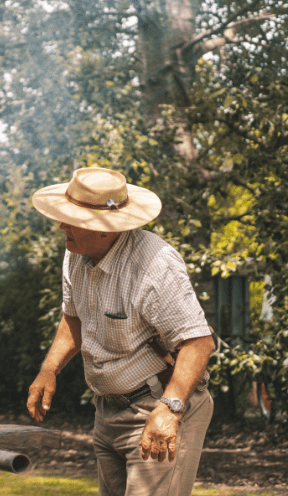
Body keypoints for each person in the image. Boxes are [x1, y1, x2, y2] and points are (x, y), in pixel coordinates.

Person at [26, 167, 214, 496]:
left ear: (105, 228)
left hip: (159, 403)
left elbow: (199, 343)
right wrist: (49, 368)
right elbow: (74, 317)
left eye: (73, 219)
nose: (61, 226)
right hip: (107, 410)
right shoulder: (76, 252)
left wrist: (169, 410)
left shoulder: (155, 264)